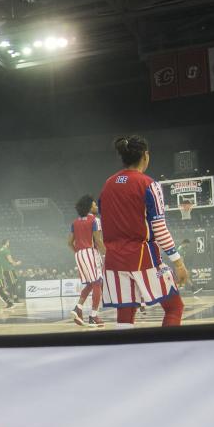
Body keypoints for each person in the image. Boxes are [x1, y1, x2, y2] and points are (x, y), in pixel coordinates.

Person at [98, 136, 189, 328]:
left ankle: (126, 357)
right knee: (174, 308)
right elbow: (160, 228)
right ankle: (170, 354)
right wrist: (178, 263)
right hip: (142, 256)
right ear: (145, 156)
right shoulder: (149, 184)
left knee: (125, 316)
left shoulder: (107, 185)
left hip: (113, 260)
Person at [68, 194, 106, 328]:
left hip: (79, 254)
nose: (96, 206)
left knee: (90, 283)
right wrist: (107, 253)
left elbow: (69, 242)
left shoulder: (75, 222)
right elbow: (98, 240)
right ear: (90, 207)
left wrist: (80, 253)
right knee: (97, 283)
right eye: (94, 205)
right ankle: (94, 315)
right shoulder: (95, 220)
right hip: (90, 252)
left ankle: (78, 308)